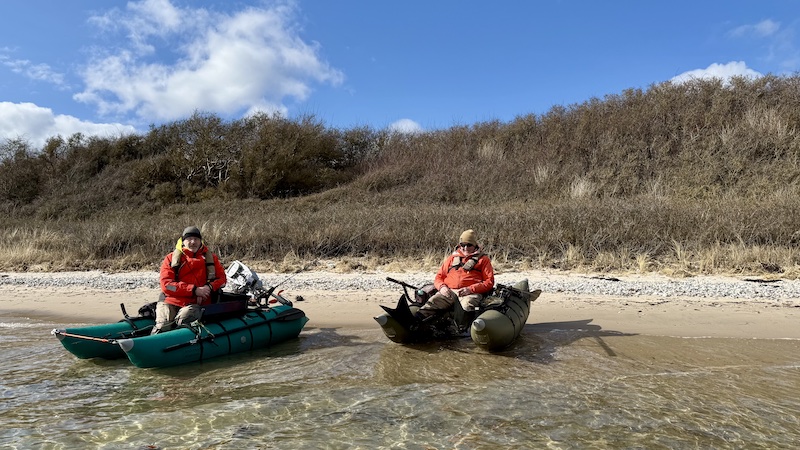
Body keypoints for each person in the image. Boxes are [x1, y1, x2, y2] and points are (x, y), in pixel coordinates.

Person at [151, 226, 227, 334]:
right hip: (170, 301)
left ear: (201, 241)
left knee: (183, 321)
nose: (193, 242)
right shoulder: (171, 258)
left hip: (195, 304)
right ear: (183, 241)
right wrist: (194, 290)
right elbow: (167, 285)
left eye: (196, 239)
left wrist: (208, 288)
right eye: (189, 239)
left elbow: (222, 279)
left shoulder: (211, 258)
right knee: (162, 325)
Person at [415, 229, 495, 327]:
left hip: (470, 294)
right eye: (463, 245)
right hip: (449, 292)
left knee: (467, 305)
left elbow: (489, 282)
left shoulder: (483, 259)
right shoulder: (452, 258)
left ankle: (462, 330)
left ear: (475, 245)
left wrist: (470, 289)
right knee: (433, 302)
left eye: (469, 245)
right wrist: (442, 287)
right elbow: (439, 277)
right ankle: (416, 322)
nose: (465, 248)